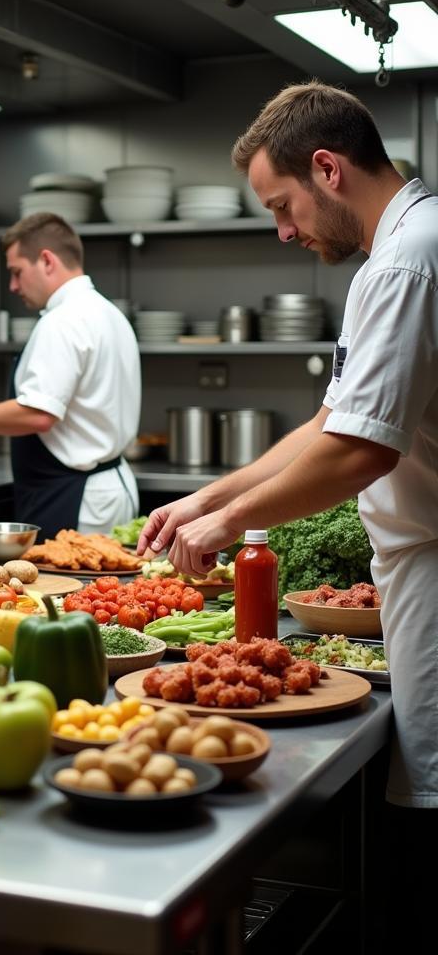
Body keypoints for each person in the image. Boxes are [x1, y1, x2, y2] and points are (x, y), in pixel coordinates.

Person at [135, 80, 437, 935]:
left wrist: (227, 526)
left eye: (282, 204)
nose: (284, 229)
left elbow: (363, 449)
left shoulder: (409, 259)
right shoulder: (402, 247)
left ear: (328, 169)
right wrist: (207, 496)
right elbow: (329, 422)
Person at [0, 212, 141, 538]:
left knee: (68, 588)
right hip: (108, 487)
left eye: (17, 272)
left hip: (76, 498)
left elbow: (38, 415)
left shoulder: (63, 321)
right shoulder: (108, 312)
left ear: (47, 261)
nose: (13, 285)